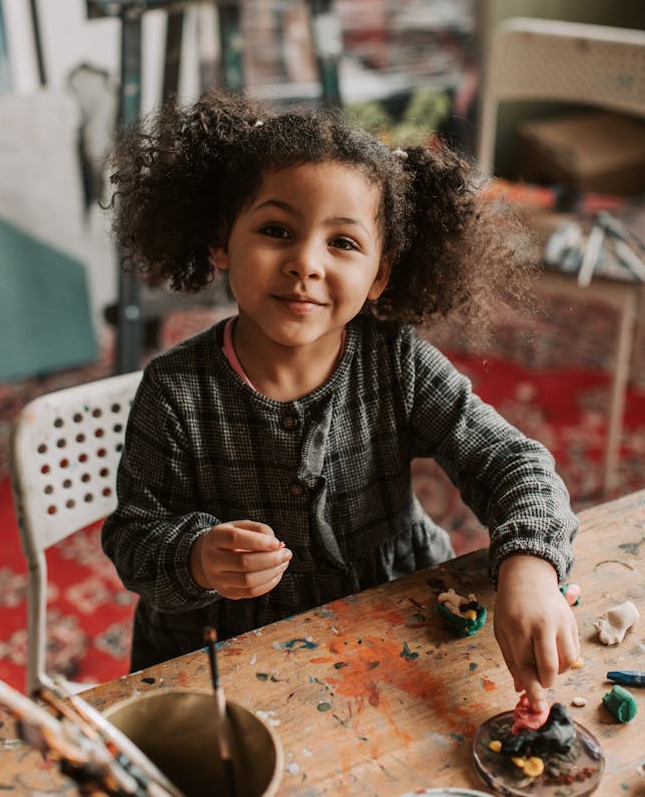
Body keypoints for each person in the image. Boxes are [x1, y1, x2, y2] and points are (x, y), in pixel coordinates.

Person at [101, 89, 580, 715]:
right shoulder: (174, 391)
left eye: (344, 243)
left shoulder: (396, 361)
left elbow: (513, 463)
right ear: (221, 243)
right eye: (277, 231)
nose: (305, 263)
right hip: (227, 658)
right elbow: (134, 536)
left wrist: (531, 565)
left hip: (389, 619)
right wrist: (194, 556)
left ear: (381, 273)